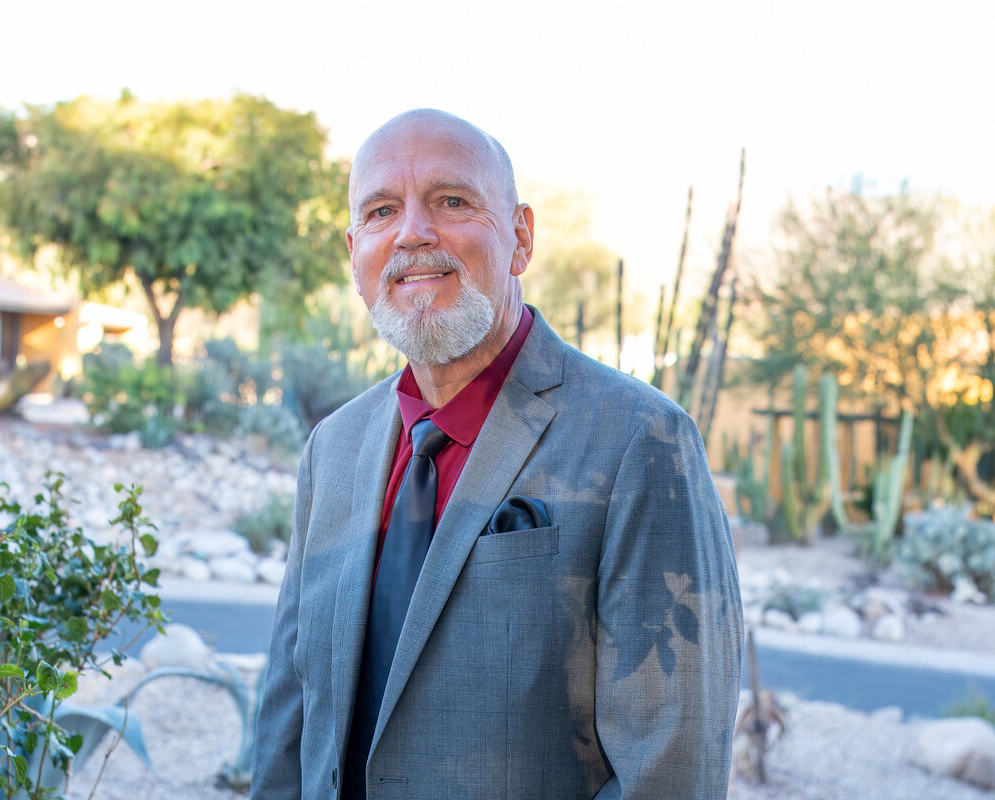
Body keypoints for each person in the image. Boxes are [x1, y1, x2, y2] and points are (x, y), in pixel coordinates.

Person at [252, 109, 743, 799]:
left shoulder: (642, 441)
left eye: (451, 201)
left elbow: (669, 767)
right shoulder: (332, 448)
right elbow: (290, 706)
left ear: (520, 237)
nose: (413, 231)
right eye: (382, 211)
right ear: (355, 251)